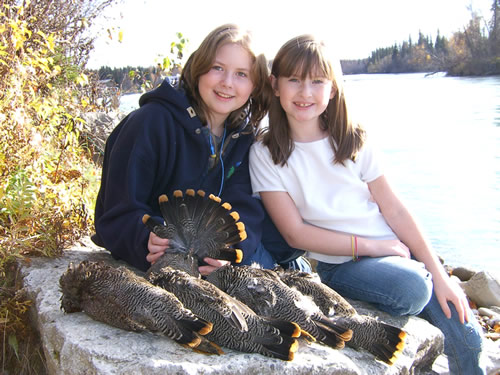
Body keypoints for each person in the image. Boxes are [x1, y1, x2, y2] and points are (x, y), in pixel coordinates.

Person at [249, 34, 486, 374]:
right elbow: (296, 234)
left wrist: (442, 275)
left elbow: (396, 210)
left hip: (393, 251)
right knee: (413, 289)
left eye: (317, 81)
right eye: (294, 80)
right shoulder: (266, 152)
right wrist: (373, 247)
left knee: (468, 336)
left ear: (333, 89)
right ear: (275, 85)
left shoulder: (352, 137)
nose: (305, 92)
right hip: (344, 263)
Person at [92, 24, 277, 275]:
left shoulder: (245, 137)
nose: (227, 83)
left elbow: (246, 210)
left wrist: (231, 250)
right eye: (217, 68)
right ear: (198, 68)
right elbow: (117, 210)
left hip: (209, 260)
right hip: (154, 255)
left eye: (242, 74)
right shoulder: (149, 123)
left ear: (255, 85)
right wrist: (145, 237)